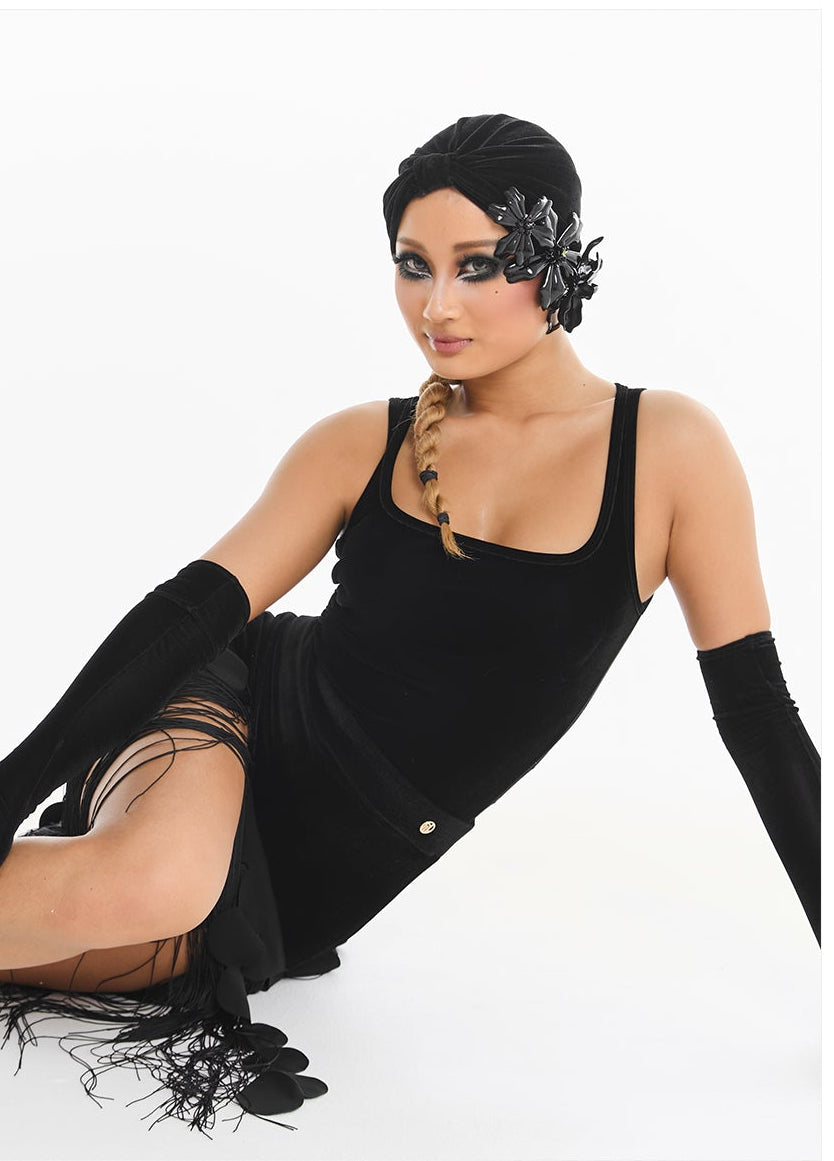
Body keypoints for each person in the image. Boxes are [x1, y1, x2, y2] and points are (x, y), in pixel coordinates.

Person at [0, 112, 821, 1134]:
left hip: (301, 896)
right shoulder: (363, 442)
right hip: (230, 717)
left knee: (113, 922)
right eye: (412, 265)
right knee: (155, 881)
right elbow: (187, 615)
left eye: (477, 266)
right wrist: (9, 790)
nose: (436, 306)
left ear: (556, 258)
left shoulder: (668, 448)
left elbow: (759, 715)